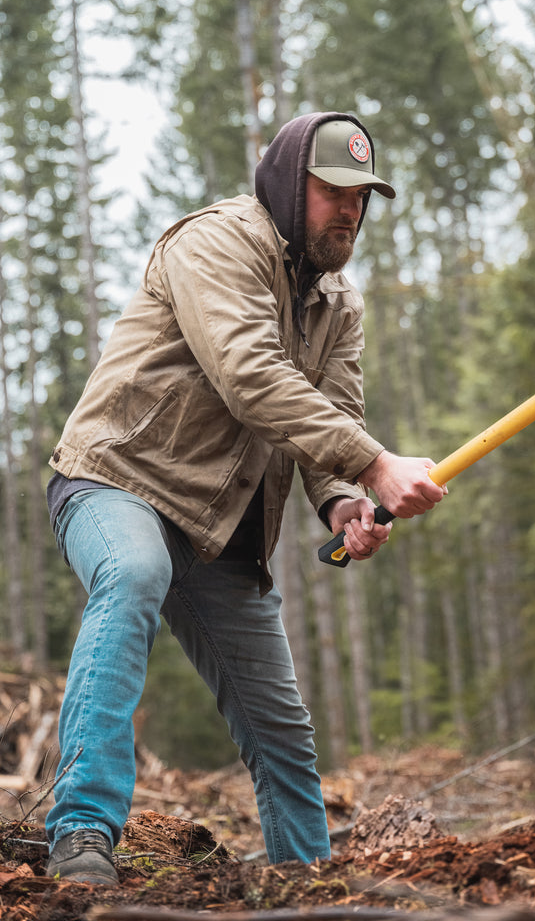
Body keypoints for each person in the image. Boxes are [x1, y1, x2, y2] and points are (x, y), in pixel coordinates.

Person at [43, 111, 445, 885]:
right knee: (131, 577)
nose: (351, 210)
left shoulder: (339, 304)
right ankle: (83, 831)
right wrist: (372, 465)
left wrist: (342, 502)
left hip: (218, 529)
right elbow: (251, 377)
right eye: (333, 192)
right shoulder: (217, 242)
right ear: (291, 186)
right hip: (118, 481)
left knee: (282, 730)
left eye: (362, 196)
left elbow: (336, 417)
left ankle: (308, 880)